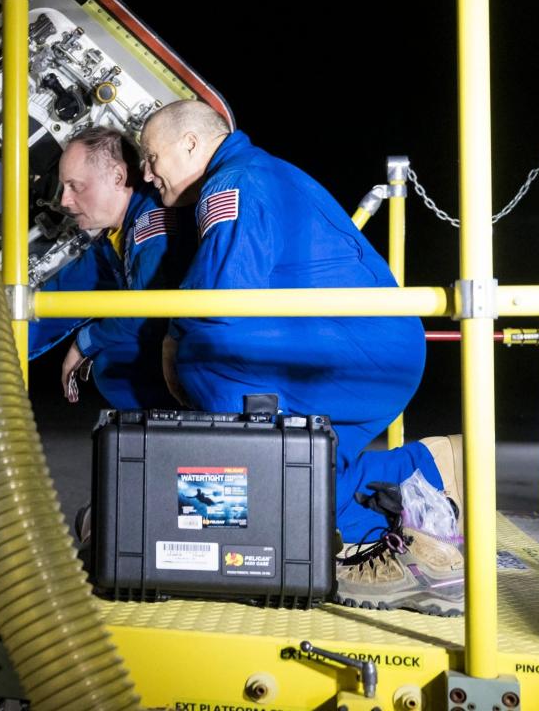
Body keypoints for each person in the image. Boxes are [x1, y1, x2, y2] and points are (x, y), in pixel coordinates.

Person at [140, 100, 464, 615]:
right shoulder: (259, 171)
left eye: (151, 156)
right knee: (308, 481)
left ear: (192, 144)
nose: (147, 171)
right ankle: (422, 476)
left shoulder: (231, 184)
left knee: (204, 356)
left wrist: (171, 339)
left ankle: (417, 543)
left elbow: (220, 298)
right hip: (374, 353)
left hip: (352, 355)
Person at [29, 126, 195, 409]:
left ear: (118, 177)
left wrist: (85, 341)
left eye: (75, 186)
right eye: (63, 187)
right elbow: (54, 305)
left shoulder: (152, 224)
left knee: (115, 363)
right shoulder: (114, 240)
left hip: (217, 356)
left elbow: (149, 312)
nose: (65, 200)